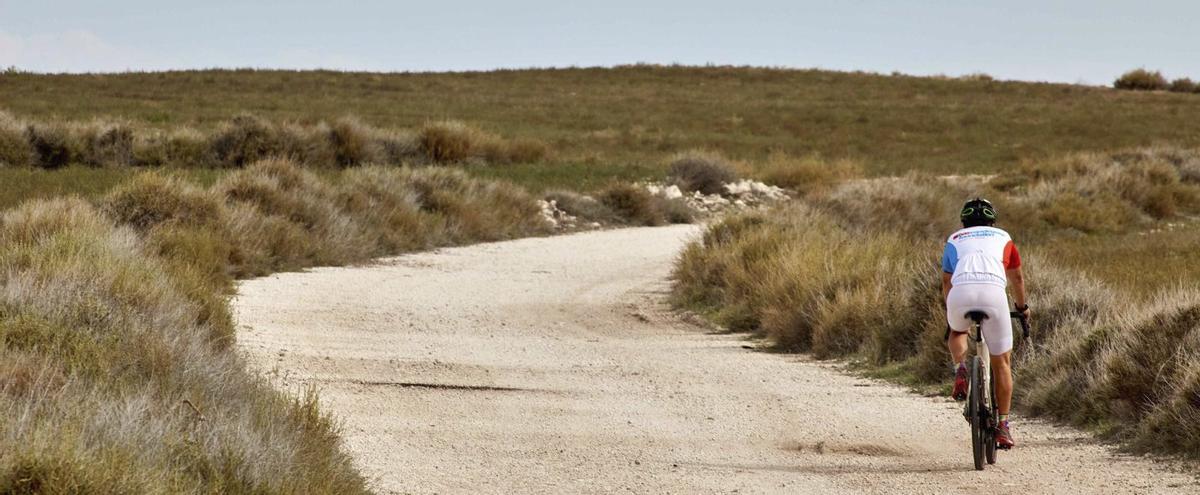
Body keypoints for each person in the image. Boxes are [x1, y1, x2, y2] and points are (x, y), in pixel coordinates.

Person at [941, 198, 1029, 449]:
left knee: (957, 330)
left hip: (961, 293)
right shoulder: (1004, 237)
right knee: (1002, 362)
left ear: (964, 221)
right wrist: (1022, 308)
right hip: (993, 294)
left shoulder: (954, 239)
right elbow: (1018, 278)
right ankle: (1002, 425)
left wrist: (953, 311)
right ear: (992, 220)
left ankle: (960, 369)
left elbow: (947, 282)